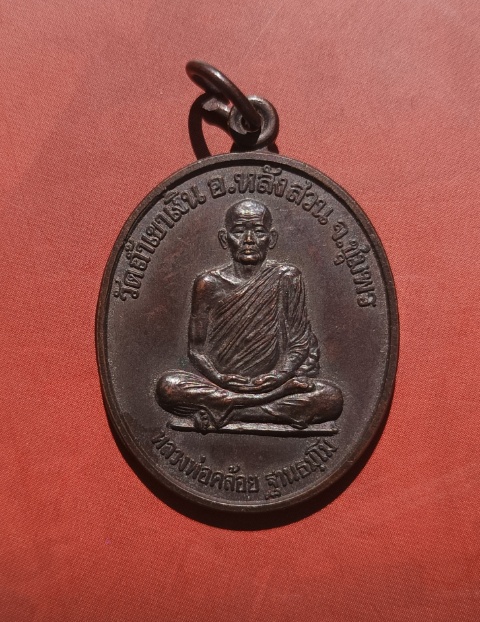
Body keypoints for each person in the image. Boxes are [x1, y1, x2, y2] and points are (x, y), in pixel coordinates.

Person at [156, 199, 343, 432]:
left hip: (275, 384)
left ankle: (230, 411)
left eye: (258, 231)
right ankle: (255, 406)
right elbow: (196, 350)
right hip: (221, 384)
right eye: (238, 231)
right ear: (224, 239)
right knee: (169, 387)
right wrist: (219, 378)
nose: (248, 240)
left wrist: (278, 376)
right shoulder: (208, 283)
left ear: (271, 239)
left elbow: (299, 343)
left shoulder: (287, 277)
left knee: (331, 398)